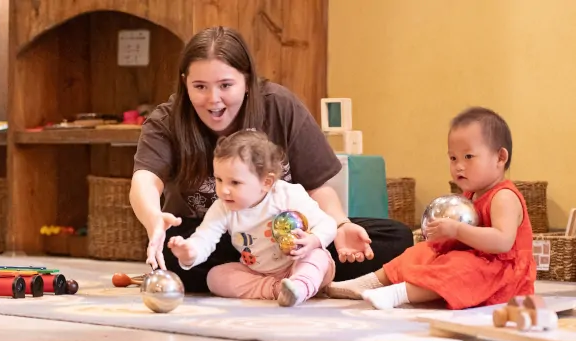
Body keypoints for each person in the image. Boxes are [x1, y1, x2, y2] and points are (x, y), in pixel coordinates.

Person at [130, 25, 413, 293]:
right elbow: (145, 180)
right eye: (200, 87)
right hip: (218, 237)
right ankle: (291, 283)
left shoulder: (279, 105)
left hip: (290, 240)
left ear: (248, 81)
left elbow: (318, 187)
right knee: (174, 252)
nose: (213, 100)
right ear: (185, 83)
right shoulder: (167, 120)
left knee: (396, 237)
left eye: (226, 85)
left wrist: (340, 226)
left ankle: (294, 275)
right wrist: (153, 218)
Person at [326, 107, 536, 310]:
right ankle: (366, 283)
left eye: (468, 157)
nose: (459, 166)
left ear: (500, 157)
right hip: (473, 257)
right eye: (453, 158)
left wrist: (456, 231)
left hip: (503, 274)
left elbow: (502, 241)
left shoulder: (504, 197)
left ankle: (398, 294)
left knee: (460, 268)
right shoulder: (472, 195)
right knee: (421, 252)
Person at [166, 130, 337, 306]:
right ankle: (278, 290)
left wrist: (314, 240)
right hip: (257, 272)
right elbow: (205, 237)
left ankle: (301, 286)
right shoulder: (223, 207)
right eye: (219, 179)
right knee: (215, 277)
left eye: (235, 182)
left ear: (266, 183)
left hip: (297, 264)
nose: (224, 190)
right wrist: (190, 253)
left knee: (318, 256)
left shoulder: (287, 195)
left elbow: (328, 224)